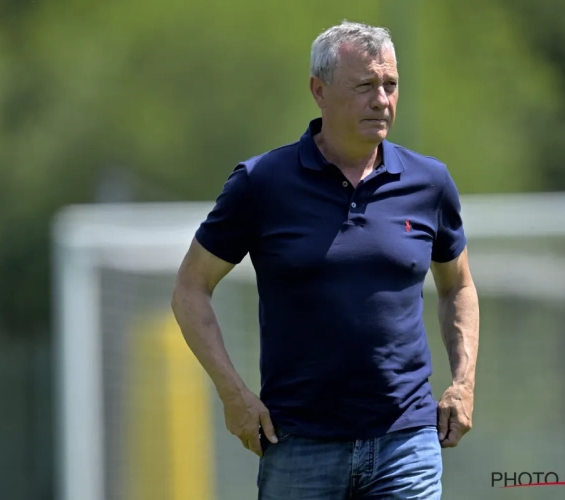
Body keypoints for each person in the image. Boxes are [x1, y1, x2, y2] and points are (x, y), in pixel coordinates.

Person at [171, 20, 480, 500]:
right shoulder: (261, 182)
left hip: (407, 444)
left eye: (390, 84)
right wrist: (233, 395)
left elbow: (457, 286)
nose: (381, 100)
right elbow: (191, 288)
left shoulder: (430, 182)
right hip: (298, 444)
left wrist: (463, 382)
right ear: (319, 90)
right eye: (364, 86)